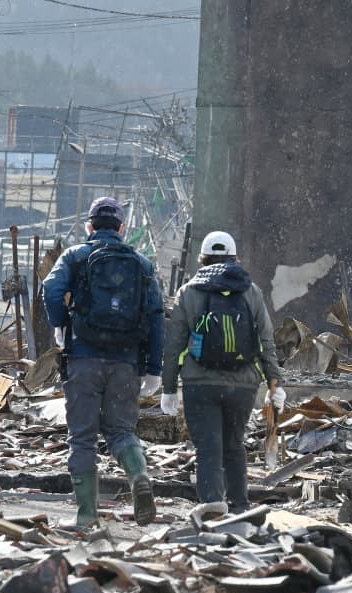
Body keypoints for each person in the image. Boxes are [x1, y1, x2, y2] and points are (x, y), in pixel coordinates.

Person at [43, 197, 165, 528]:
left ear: (89, 227)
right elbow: (156, 316)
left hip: (83, 358)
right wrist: (154, 369)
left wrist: (60, 326)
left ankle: (86, 517)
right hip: (126, 363)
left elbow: (51, 290)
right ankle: (138, 475)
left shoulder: (75, 256)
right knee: (121, 431)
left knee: (82, 439)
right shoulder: (142, 264)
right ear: (123, 229)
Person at [161, 230, 283, 520]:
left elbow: (174, 344)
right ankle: (240, 504)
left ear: (202, 259)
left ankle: (214, 504)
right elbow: (266, 340)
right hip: (242, 385)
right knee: (234, 445)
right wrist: (274, 383)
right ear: (234, 258)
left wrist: (167, 387)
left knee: (208, 448)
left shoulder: (188, 292)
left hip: (199, 384)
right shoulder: (251, 291)